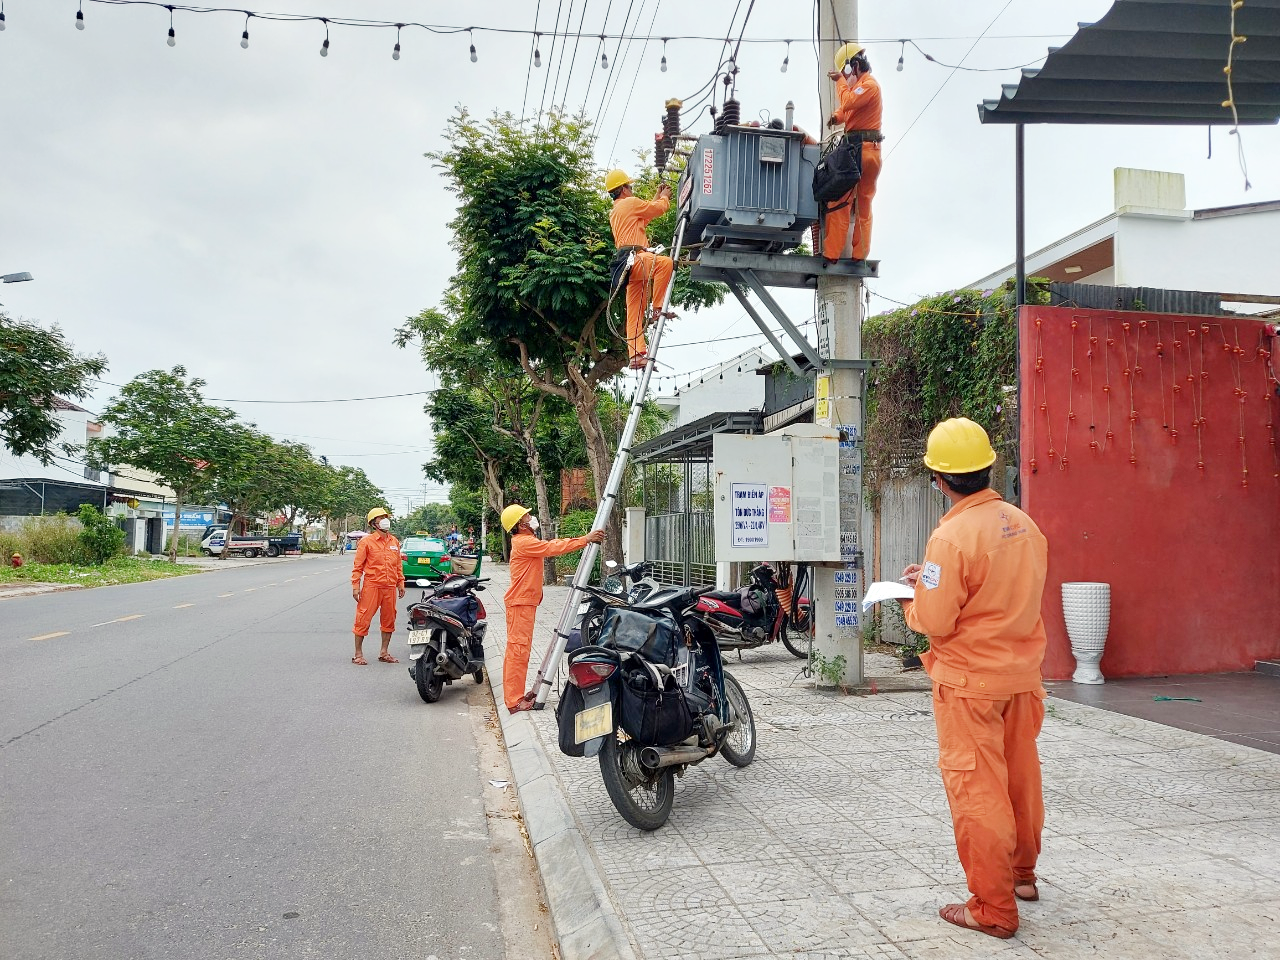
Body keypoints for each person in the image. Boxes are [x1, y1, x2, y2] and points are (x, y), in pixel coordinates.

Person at [899, 417, 1049, 940]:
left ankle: (992, 906)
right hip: (1022, 678)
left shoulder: (950, 537)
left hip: (970, 686)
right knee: (1020, 778)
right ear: (988, 467)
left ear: (939, 480)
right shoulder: (1024, 525)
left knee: (977, 789)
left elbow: (937, 621)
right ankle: (1022, 876)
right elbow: (1000, 592)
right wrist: (932, 583)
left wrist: (912, 601)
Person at [500, 503, 605, 712]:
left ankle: (517, 695)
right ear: (520, 525)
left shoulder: (525, 541)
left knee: (521, 650)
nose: (531, 518)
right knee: (518, 651)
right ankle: (514, 701)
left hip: (524, 603)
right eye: (527, 516)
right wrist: (585, 540)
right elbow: (553, 547)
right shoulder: (524, 542)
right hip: (520, 604)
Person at [606, 169, 676, 370]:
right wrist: (664, 197)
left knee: (634, 311)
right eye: (630, 186)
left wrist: (656, 197)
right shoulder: (630, 203)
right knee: (665, 263)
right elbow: (658, 209)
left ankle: (636, 355)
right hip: (636, 258)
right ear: (624, 189)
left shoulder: (617, 210)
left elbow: (643, 218)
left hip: (626, 265)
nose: (632, 189)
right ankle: (658, 309)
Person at [822, 41, 883, 266]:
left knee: (840, 200)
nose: (846, 79)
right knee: (864, 204)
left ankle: (832, 253)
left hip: (858, 151)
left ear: (852, 67)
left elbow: (849, 100)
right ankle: (859, 255)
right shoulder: (866, 86)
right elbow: (850, 108)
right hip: (870, 152)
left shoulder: (869, 86)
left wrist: (839, 81)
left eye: (846, 74)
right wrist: (837, 117)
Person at [350, 507, 406, 666]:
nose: (384, 520)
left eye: (385, 517)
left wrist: (400, 582)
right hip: (372, 586)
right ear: (374, 523)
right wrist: (356, 586)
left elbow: (398, 565)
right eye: (380, 518)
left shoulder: (394, 541)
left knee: (389, 619)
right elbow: (358, 566)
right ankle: (358, 654)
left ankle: (384, 652)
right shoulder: (366, 542)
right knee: (363, 618)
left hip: (389, 587)